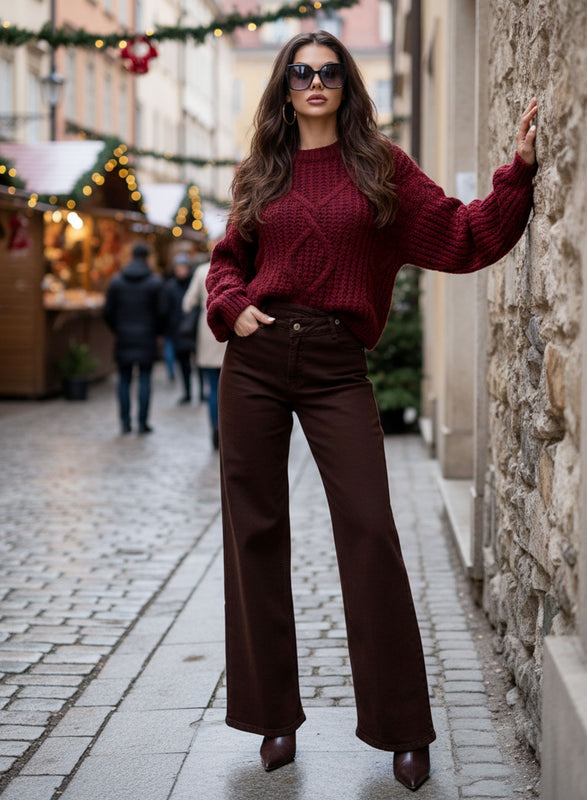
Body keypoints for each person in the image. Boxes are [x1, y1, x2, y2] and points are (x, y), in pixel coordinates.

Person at [206, 30, 537, 792]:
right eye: (300, 71)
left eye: (328, 71)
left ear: (346, 83)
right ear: (284, 87)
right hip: (254, 361)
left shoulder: (380, 168)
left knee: (369, 531)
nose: (314, 81)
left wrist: (515, 176)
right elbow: (229, 260)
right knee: (253, 531)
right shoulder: (260, 170)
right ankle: (273, 717)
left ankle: (401, 728)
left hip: (333, 364)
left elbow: (461, 236)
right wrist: (230, 303)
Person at [103, 241, 166, 434]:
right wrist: (157, 332)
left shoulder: (116, 281)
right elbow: (163, 312)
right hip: (147, 337)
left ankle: (124, 423)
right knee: (145, 379)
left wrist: (117, 328)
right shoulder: (155, 282)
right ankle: (142, 423)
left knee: (124, 379)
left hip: (123, 336)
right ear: (147, 257)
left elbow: (107, 311)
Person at [182, 257, 226, 450]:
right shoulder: (240, 267)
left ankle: (215, 427)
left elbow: (187, 303)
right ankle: (227, 430)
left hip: (207, 329)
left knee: (212, 387)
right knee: (229, 387)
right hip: (231, 331)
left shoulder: (201, 271)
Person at [164, 253, 195, 405]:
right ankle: (187, 392)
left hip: (193, 329)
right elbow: (166, 309)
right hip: (178, 330)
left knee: (199, 362)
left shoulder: (194, 284)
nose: (180, 270)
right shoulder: (170, 286)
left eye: (183, 267)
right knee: (183, 364)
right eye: (178, 268)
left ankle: (201, 392)